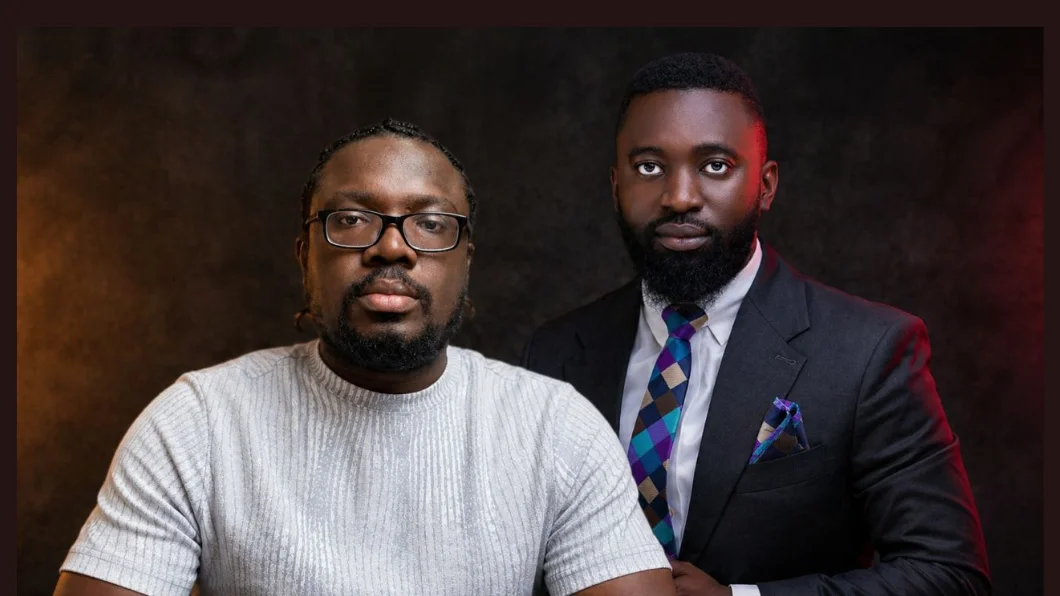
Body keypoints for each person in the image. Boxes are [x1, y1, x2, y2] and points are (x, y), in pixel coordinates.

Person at [54, 119, 675, 596]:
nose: (391, 248)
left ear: (465, 262)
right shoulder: (197, 423)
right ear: (305, 255)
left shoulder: (554, 429)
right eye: (351, 219)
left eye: (430, 223)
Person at [522, 53, 991, 596]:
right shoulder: (555, 354)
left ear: (766, 186)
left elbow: (950, 575)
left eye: (715, 166)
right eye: (649, 167)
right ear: (614, 185)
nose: (679, 197)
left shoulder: (868, 353)